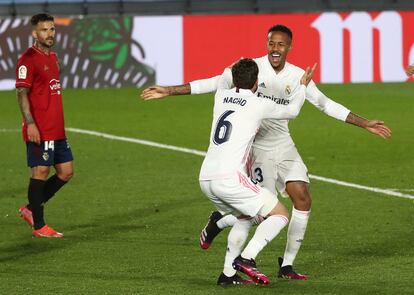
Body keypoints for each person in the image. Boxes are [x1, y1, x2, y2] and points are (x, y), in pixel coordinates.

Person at [141, 24, 391, 280]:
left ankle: (286, 267)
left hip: (283, 144)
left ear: (289, 47)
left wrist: (364, 123)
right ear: (267, 45)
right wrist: (170, 90)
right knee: (257, 215)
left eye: (281, 44)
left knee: (302, 198)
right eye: (272, 43)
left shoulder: (296, 75)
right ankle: (229, 256)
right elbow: (213, 83)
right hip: (256, 149)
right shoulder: (250, 69)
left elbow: (326, 104)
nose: (275, 48)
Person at [191, 58, 313, 285]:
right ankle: (246, 258)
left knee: (246, 216)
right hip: (230, 179)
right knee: (279, 215)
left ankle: (227, 274)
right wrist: (303, 85)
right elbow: (293, 111)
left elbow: (219, 81)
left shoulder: (220, 95)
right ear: (256, 82)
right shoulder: (258, 103)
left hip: (205, 177)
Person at [16, 13, 74, 238]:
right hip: (39, 128)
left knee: (66, 172)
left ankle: (30, 209)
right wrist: (30, 123)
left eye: (52, 29)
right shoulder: (27, 59)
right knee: (40, 171)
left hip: (57, 128)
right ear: (34, 33)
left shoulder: (52, 57)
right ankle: (39, 225)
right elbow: (22, 93)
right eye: (45, 30)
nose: (50, 34)